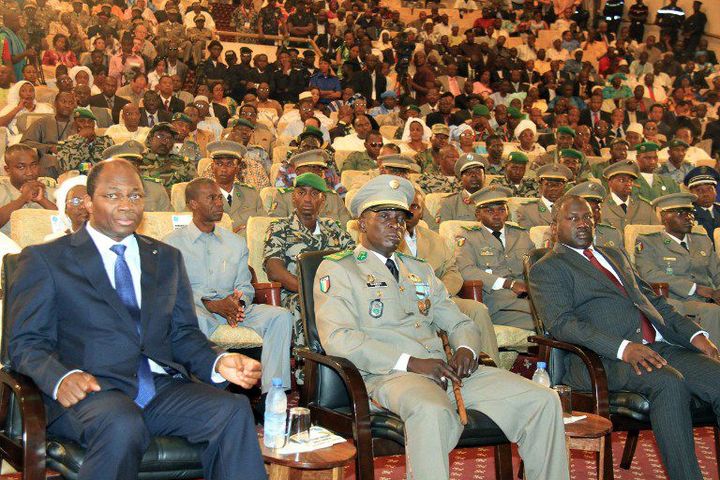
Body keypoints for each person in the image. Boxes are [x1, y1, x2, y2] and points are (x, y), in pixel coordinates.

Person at [7, 159, 267, 480]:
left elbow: (183, 334)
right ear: (89, 202)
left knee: (233, 410)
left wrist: (218, 361)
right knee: (122, 422)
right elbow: (24, 344)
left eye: (135, 196)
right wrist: (61, 378)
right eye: (113, 196)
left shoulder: (166, 258)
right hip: (88, 390)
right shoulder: (46, 260)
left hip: (157, 387)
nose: (127, 205)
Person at [315, 175, 569, 480]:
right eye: (384, 216)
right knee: (432, 412)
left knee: (543, 400)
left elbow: (459, 320)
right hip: (389, 375)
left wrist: (465, 349)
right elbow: (339, 339)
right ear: (361, 222)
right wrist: (413, 363)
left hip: (447, 373)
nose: (395, 224)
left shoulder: (418, 269)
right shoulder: (339, 268)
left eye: (400, 218)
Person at [528, 194, 720, 480]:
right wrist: (624, 348)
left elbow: (655, 302)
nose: (582, 224)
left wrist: (696, 336)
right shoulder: (548, 267)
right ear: (554, 226)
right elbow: (563, 324)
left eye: (588, 218)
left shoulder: (615, 255)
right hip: (602, 358)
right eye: (573, 218)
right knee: (668, 382)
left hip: (658, 346)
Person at [164, 178, 292, 395]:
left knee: (281, 317)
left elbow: (244, 284)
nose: (219, 202)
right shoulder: (171, 244)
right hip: (197, 309)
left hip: (234, 310)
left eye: (219, 197)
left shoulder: (235, 243)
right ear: (193, 204)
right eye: (211, 198)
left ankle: (272, 394)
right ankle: (203, 391)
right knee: (193, 320)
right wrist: (210, 304)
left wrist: (238, 303)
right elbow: (171, 290)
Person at [401, 187, 500, 363]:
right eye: (405, 207)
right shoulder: (385, 237)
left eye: (415, 207)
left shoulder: (434, 238)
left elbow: (452, 271)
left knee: (477, 310)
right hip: (404, 302)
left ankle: (489, 368)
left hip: (440, 298)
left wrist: (439, 293)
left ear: (422, 212)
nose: (410, 212)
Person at [264, 172, 355, 346]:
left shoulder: (335, 230)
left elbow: (354, 262)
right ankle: (306, 368)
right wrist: (311, 291)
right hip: (296, 294)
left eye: (314, 194)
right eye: (301, 192)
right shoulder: (279, 228)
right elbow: (274, 270)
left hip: (336, 293)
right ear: (293, 197)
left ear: (323, 200)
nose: (307, 198)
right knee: (303, 305)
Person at [635, 192, 720, 343]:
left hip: (709, 298)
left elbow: (717, 272)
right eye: (681, 213)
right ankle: (712, 362)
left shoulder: (702, 240)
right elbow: (649, 274)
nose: (689, 218)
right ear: (664, 217)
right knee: (712, 311)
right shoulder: (648, 242)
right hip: (674, 300)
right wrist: (695, 288)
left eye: (690, 213)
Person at [455, 185, 535, 330]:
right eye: (489, 211)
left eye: (501, 209)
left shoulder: (520, 234)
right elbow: (466, 270)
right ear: (478, 214)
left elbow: (536, 266)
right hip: (496, 303)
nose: (497, 215)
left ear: (507, 212)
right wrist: (507, 284)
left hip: (531, 297)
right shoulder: (468, 236)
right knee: (542, 320)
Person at [205, 140, 263, 234]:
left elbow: (262, 226)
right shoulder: (201, 196)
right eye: (219, 164)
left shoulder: (251, 194)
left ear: (238, 168)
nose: (223, 169)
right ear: (212, 167)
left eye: (229, 164)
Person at [0, 144, 57, 236]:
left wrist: (43, 200)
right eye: (21, 167)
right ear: (7, 170)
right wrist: (22, 199)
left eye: (33, 165)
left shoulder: (53, 192)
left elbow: (67, 224)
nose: (29, 172)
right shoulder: (2, 191)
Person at [101, 142, 171, 212]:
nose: (129, 168)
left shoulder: (155, 189)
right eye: (122, 164)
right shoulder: (101, 191)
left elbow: (170, 219)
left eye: (133, 163)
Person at [21, 91, 78, 177]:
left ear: (74, 106)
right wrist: (49, 148)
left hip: (73, 162)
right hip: (47, 163)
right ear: (55, 103)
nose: (67, 105)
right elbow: (25, 143)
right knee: (49, 160)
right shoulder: (42, 122)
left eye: (71, 103)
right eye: (63, 102)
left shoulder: (79, 124)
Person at [600, 160, 658, 231]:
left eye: (630, 180)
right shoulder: (601, 207)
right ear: (610, 183)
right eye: (622, 180)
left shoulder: (645, 208)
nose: (628, 184)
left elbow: (657, 235)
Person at [564, 182, 624, 248]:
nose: (594, 214)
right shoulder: (566, 236)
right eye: (588, 211)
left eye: (597, 210)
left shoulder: (613, 234)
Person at [56, 108, 115, 174]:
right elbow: (66, 166)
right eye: (81, 121)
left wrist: (81, 167)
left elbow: (112, 165)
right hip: (77, 181)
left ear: (94, 124)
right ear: (74, 125)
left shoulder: (106, 141)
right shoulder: (65, 145)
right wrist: (81, 138)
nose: (87, 124)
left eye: (90, 121)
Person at [139, 123, 196, 189]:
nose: (164, 142)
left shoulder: (184, 163)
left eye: (169, 138)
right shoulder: (138, 161)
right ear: (150, 139)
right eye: (160, 136)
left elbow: (195, 189)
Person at [515, 164, 573, 229]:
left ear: (564, 187)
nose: (553, 188)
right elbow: (525, 237)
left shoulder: (572, 210)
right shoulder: (526, 211)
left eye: (558, 185)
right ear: (540, 187)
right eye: (548, 184)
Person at [435, 153, 487, 224]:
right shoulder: (449, 203)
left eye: (478, 172)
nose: (473, 175)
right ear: (461, 179)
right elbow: (444, 231)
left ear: (485, 176)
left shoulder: (495, 199)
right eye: (468, 173)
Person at [43, 174, 88, 241]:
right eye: (76, 201)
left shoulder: (106, 238)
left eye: (88, 200)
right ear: (64, 208)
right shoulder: (54, 241)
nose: (83, 206)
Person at [684, 167, 720, 246]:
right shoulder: (687, 214)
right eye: (699, 190)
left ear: (716, 192)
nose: (705, 194)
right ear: (691, 193)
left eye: (710, 189)